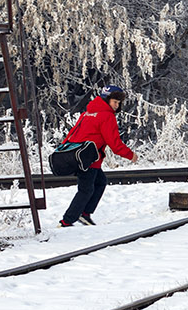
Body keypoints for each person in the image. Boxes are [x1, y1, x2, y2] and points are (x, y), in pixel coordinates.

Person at [59, 84, 137, 227]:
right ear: (107, 100)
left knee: (100, 182)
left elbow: (72, 133)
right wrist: (130, 155)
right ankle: (67, 221)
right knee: (86, 190)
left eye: (118, 103)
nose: (117, 105)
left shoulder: (87, 113)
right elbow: (114, 143)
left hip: (79, 156)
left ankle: (85, 214)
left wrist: (63, 150)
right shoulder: (107, 116)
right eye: (115, 102)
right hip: (89, 159)